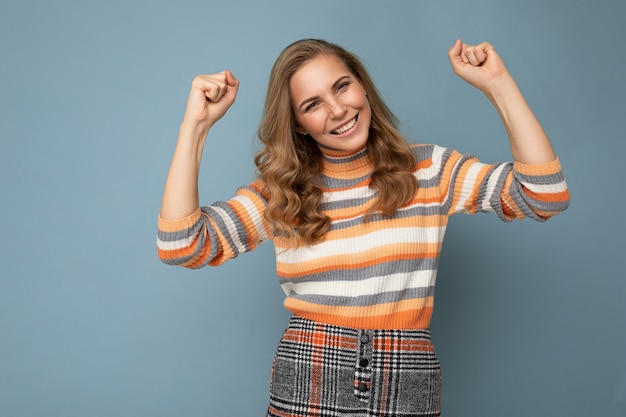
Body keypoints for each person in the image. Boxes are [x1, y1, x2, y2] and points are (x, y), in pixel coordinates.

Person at [157, 38, 569, 416]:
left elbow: (544, 195)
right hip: (309, 378)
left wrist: (498, 84)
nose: (337, 110)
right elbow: (181, 245)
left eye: (342, 86)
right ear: (298, 123)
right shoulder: (282, 194)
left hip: (408, 381)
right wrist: (195, 127)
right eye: (312, 104)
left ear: (363, 86)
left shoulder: (428, 170)